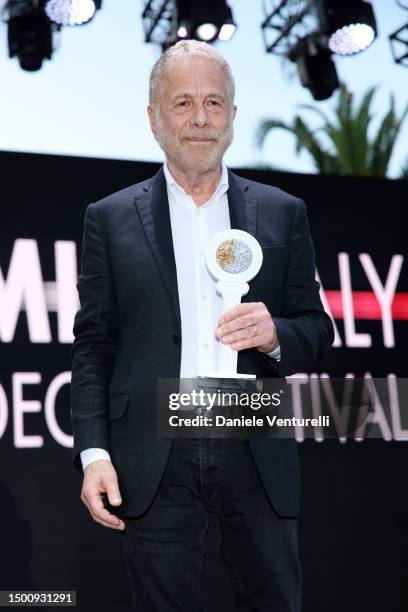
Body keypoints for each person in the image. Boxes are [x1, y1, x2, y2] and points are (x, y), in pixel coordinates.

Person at [70, 39, 334, 612]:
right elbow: (94, 346)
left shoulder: (283, 211)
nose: (200, 119)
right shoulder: (110, 218)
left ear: (233, 116)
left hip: (254, 435)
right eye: (183, 103)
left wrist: (276, 335)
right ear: (154, 118)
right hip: (154, 449)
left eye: (215, 103)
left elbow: (316, 328)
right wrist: (94, 454)